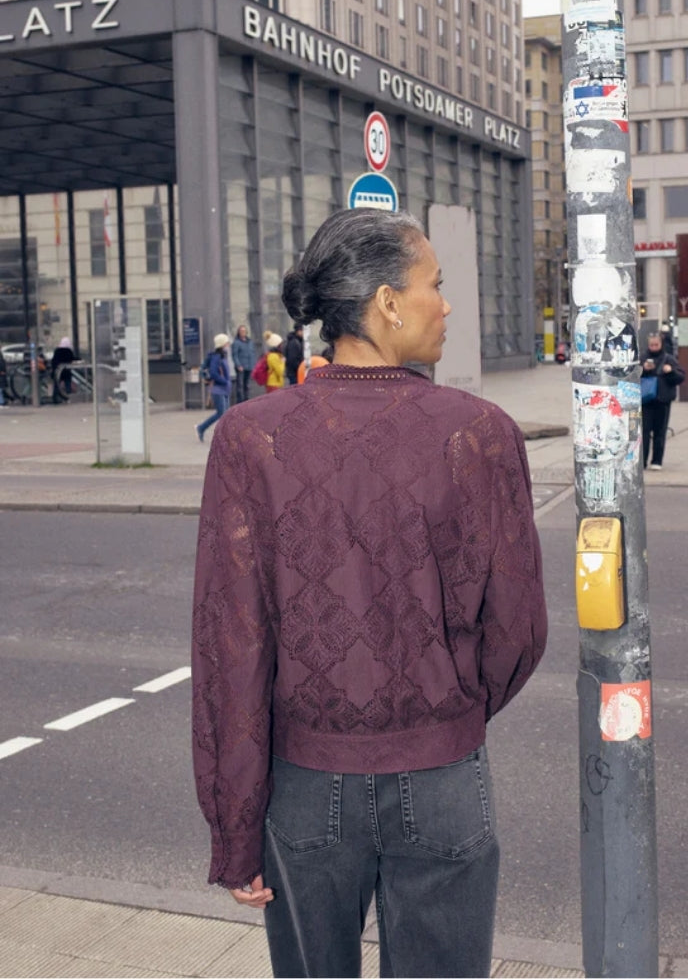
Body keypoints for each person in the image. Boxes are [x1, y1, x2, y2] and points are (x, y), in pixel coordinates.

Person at [191, 207, 548, 979]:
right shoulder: (479, 434)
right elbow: (517, 632)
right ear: (388, 302)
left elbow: (234, 647)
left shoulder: (251, 438)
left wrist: (235, 826)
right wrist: (446, 707)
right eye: (435, 286)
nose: (445, 305)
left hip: (305, 784)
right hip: (443, 774)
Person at [640, 331, 685, 470]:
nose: (653, 347)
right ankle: (642, 461)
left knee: (660, 431)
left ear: (661, 344)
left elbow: (680, 377)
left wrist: (670, 371)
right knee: (644, 432)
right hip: (646, 401)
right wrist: (643, 370)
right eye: (651, 345)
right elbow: (631, 376)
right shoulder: (642, 357)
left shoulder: (668, 358)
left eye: (656, 344)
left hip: (662, 400)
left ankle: (657, 461)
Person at [195, 334, 231, 442]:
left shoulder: (222, 355)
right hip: (218, 389)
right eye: (226, 342)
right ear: (222, 344)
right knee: (222, 414)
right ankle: (201, 428)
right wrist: (224, 381)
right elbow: (214, 373)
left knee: (225, 414)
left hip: (224, 389)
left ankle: (202, 428)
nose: (228, 344)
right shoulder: (217, 357)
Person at [231, 324, 257, 403]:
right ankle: (240, 401)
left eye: (244, 331)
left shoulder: (250, 342)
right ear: (238, 332)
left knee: (247, 385)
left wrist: (253, 365)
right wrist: (238, 365)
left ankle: (247, 401)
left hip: (249, 366)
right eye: (241, 331)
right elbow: (234, 355)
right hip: (241, 367)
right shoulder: (236, 342)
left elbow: (252, 353)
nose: (243, 332)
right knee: (240, 385)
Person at [51, 337, 76, 404]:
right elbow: (71, 359)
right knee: (67, 383)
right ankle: (69, 397)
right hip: (66, 371)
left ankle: (55, 399)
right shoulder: (69, 351)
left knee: (56, 385)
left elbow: (53, 360)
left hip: (57, 370)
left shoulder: (57, 350)